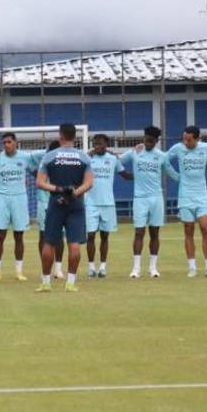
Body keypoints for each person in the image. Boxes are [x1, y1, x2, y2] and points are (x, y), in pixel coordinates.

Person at [35, 123, 94, 292]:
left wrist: (59, 190)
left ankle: (46, 282)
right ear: (74, 137)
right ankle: (70, 283)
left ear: (60, 135)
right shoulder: (83, 157)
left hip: (56, 202)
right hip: (76, 204)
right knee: (74, 243)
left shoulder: (49, 157)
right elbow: (89, 183)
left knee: (49, 242)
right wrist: (74, 193)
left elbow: (39, 182)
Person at [120, 126, 178, 278]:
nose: (148, 143)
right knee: (139, 232)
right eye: (146, 140)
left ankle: (153, 268)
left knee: (155, 233)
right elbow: (117, 162)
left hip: (156, 198)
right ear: (143, 138)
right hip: (140, 198)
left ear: (157, 141)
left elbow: (172, 173)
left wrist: (189, 180)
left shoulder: (161, 156)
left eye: (151, 141)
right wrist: (127, 175)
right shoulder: (135, 151)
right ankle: (136, 269)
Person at [165, 125, 207, 277]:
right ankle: (192, 267)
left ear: (197, 139)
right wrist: (176, 176)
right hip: (185, 196)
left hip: (202, 196)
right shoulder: (178, 148)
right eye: (184, 139)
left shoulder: (206, 148)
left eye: (189, 140)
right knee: (188, 231)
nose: (185, 142)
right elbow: (164, 161)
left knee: (206, 229)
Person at [85, 134, 131, 279]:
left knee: (105, 236)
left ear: (106, 144)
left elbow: (124, 174)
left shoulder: (113, 159)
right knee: (90, 235)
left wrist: (143, 174)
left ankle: (103, 267)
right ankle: (91, 267)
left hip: (108, 203)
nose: (96, 146)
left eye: (99, 144)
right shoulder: (88, 159)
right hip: (90, 202)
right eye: (94, 144)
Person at [0, 132, 33, 282]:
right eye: (4, 143)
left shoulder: (25, 157)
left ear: (15, 142)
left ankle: (19, 272)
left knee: (19, 235)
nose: (6, 145)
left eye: (9, 142)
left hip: (20, 198)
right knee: (0, 235)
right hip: (2, 198)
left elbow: (35, 172)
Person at [31, 141, 65, 279]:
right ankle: (45, 269)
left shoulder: (65, 164)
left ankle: (58, 269)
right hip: (43, 202)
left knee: (60, 236)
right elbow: (28, 160)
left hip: (60, 202)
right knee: (43, 235)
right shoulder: (43, 161)